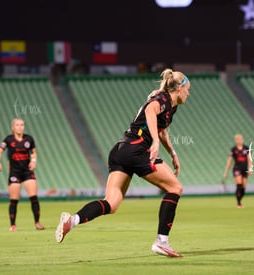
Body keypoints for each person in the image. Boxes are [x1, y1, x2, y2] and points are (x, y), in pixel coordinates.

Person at [55, 69, 190, 258]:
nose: (188, 94)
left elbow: (161, 130)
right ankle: (161, 241)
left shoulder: (170, 106)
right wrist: (156, 143)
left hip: (121, 150)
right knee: (175, 188)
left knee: (112, 203)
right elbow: (151, 111)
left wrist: (172, 152)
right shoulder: (163, 99)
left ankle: (73, 220)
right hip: (136, 150)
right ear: (179, 88)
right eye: (187, 90)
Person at [0, 118, 45, 232]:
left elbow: (34, 153)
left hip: (27, 171)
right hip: (14, 172)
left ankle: (37, 222)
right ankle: (13, 225)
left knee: (34, 197)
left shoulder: (29, 139)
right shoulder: (8, 139)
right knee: (14, 200)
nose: (20, 127)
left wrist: (33, 161)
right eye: (17, 125)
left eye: (22, 125)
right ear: (13, 127)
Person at [223, 134, 253, 208]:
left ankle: (240, 201)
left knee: (243, 188)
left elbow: (249, 159)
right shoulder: (233, 149)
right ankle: (238, 203)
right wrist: (226, 172)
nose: (239, 140)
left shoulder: (246, 148)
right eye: (238, 139)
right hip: (237, 168)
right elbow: (229, 161)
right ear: (236, 141)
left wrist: (250, 168)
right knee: (239, 185)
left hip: (244, 169)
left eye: (240, 139)